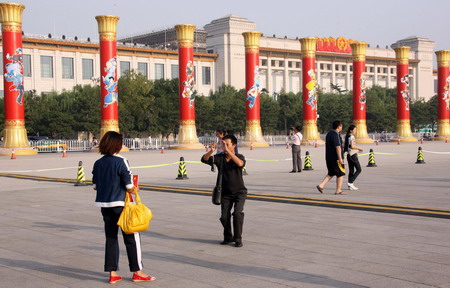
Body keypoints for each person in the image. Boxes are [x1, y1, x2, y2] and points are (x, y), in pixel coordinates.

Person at [92, 131, 156, 284]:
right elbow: (129, 186)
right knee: (132, 238)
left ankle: (112, 273)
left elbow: (95, 186)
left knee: (111, 238)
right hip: (120, 205)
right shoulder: (121, 161)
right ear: (117, 145)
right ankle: (137, 271)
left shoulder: (98, 163)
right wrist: (135, 188)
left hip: (104, 205)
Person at [201, 134, 247, 248]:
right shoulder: (219, 158)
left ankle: (238, 238)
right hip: (225, 193)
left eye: (227, 144)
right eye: (223, 144)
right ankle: (228, 237)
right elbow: (204, 159)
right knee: (224, 217)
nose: (224, 146)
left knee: (237, 213)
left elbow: (240, 164)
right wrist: (210, 151)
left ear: (234, 145)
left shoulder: (239, 156)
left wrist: (229, 152)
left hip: (240, 192)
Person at [316, 121, 346, 195]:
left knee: (331, 172)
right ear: (338, 126)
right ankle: (338, 190)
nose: (342, 127)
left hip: (329, 157)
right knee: (340, 173)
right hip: (335, 158)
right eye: (341, 126)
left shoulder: (329, 133)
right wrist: (340, 158)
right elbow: (337, 147)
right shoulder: (335, 134)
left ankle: (321, 185)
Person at [344, 125, 363, 190]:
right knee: (359, 169)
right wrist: (359, 148)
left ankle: (350, 186)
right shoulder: (351, 136)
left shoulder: (347, 136)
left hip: (348, 155)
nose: (355, 131)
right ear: (351, 130)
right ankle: (350, 182)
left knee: (351, 170)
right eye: (355, 130)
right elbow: (352, 146)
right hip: (353, 155)